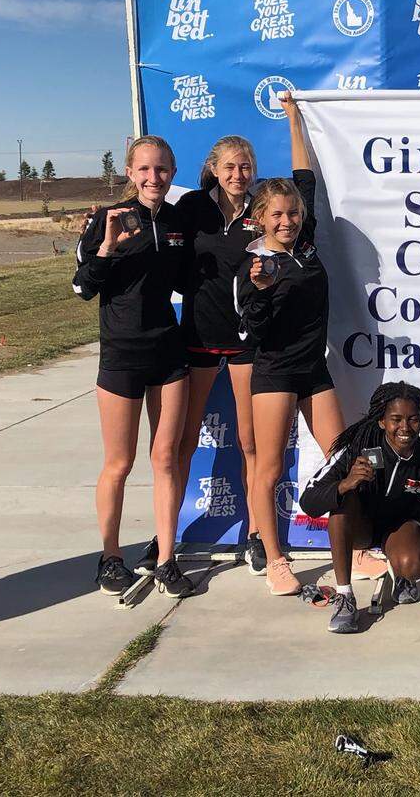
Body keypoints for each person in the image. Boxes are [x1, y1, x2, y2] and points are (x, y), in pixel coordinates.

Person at [72, 135, 195, 599]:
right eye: (144, 169)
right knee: (119, 463)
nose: (153, 178)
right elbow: (82, 288)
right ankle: (110, 556)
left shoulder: (179, 221)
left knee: (165, 459)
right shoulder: (109, 219)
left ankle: (166, 558)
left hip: (168, 352)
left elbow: (196, 275)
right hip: (121, 356)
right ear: (129, 173)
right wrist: (106, 246)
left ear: (172, 171)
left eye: (161, 169)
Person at [235, 92, 346, 596]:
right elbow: (254, 333)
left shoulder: (305, 245)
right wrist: (259, 294)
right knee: (269, 465)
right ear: (259, 217)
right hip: (275, 373)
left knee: (341, 456)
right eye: (276, 215)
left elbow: (306, 180)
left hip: (314, 370)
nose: (287, 220)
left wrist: (295, 118)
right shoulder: (255, 263)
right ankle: (275, 558)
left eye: (293, 213)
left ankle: (354, 547)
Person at [173, 136, 269, 576]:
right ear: (214, 168)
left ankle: (256, 535)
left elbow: (285, 251)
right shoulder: (193, 206)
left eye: (245, 166)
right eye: (230, 166)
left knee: (250, 442)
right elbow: (152, 226)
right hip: (198, 337)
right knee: (184, 442)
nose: (238, 174)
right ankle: (168, 533)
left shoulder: (261, 210)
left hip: (247, 340)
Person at [300, 382, 420, 633]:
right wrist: (344, 484)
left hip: (398, 529)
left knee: (413, 564)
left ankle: (400, 576)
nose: (404, 428)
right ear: (382, 421)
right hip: (360, 526)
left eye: (413, 419)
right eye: (396, 419)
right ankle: (344, 597)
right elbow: (309, 501)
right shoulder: (355, 446)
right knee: (344, 500)